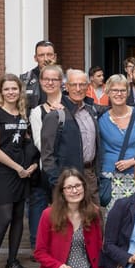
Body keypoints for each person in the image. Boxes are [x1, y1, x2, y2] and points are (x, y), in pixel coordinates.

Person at [23, 169, 108, 268]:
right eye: (69, 187)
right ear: (62, 192)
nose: (74, 190)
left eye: (78, 185)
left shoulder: (93, 212)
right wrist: (57, 266)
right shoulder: (48, 214)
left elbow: (98, 249)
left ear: (84, 187)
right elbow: (39, 252)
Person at [0, 74, 39, 268]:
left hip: (22, 174)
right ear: (1, 92)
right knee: (4, 217)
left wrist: (32, 165)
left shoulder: (23, 115)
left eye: (14, 89)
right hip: (2, 173)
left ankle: (12, 261)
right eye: (7, 89)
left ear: (20, 91)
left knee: (17, 218)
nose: (11, 92)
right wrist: (18, 168)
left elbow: (26, 144)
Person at [97, 74, 135, 212]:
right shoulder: (100, 118)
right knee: (111, 220)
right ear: (108, 92)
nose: (119, 94)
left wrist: (133, 161)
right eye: (114, 90)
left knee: (134, 219)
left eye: (122, 90)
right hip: (109, 178)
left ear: (128, 92)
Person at [40, 69, 101, 201]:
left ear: (88, 86)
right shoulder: (56, 115)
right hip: (67, 180)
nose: (78, 89)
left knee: (94, 219)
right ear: (66, 87)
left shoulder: (91, 111)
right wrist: (58, 183)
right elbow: (47, 155)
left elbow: (116, 107)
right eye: (73, 85)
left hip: (90, 176)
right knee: (69, 220)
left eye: (82, 84)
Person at [27, 64, 64, 254]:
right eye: (46, 79)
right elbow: (40, 142)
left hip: (68, 168)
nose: (50, 82)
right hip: (46, 168)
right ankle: (37, 246)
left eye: (54, 79)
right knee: (40, 206)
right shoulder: (36, 112)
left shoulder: (70, 105)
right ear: (40, 82)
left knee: (63, 206)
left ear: (61, 82)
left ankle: (62, 245)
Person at [20, 39, 57, 111]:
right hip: (32, 121)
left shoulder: (65, 81)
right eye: (41, 55)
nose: (46, 59)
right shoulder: (25, 80)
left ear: (55, 57)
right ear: (35, 58)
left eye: (49, 55)